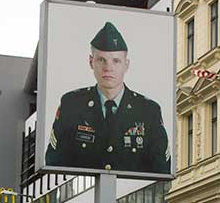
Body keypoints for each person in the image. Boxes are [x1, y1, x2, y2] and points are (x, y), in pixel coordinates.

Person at [46, 22, 169, 174]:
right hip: (86, 195)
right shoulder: (71, 104)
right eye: (101, 60)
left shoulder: (149, 111)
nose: (108, 67)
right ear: (91, 62)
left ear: (126, 65)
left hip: (130, 196)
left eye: (115, 61)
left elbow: (161, 169)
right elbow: (54, 162)